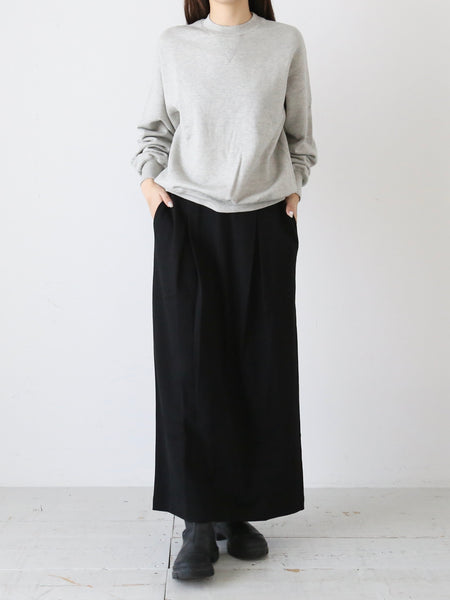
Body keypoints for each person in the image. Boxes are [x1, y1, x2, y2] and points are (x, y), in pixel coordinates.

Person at [130, 0, 318, 581]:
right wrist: (148, 183)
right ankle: (196, 518)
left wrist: (295, 184)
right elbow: (154, 130)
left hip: (265, 219)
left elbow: (299, 134)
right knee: (190, 371)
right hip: (187, 217)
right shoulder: (175, 43)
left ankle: (239, 510)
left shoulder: (284, 41)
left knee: (257, 366)